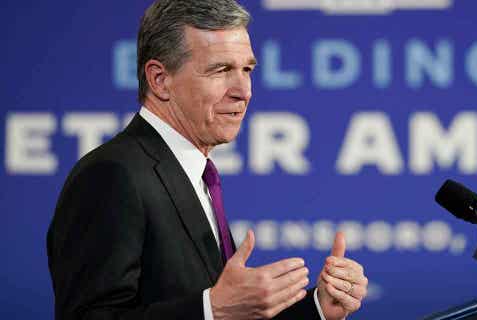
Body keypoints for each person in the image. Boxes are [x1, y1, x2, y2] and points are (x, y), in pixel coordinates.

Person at [46, 0, 368, 319]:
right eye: (222, 70)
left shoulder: (196, 175)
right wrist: (210, 309)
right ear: (160, 79)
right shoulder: (111, 176)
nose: (244, 91)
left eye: (247, 69)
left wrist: (319, 308)